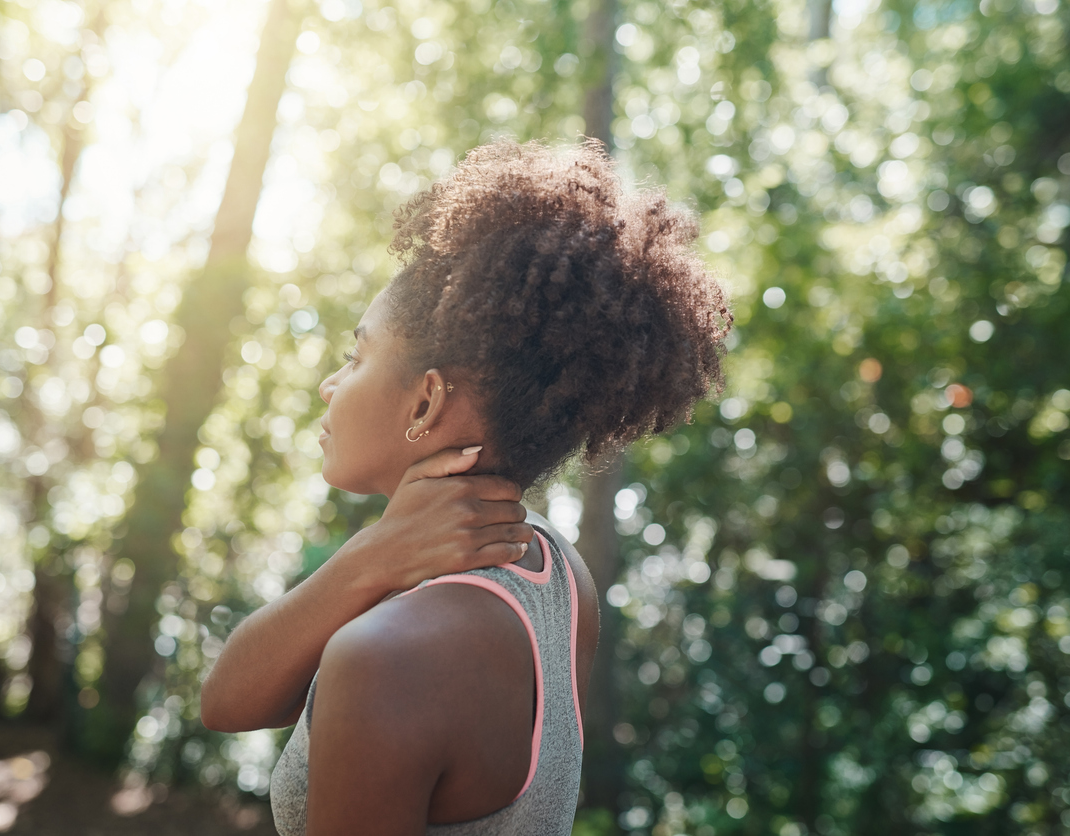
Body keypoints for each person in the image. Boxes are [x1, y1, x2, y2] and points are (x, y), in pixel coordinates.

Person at [200, 139, 730, 835]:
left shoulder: (390, 658)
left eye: (356, 356)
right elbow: (230, 702)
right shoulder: (562, 579)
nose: (330, 385)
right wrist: (376, 554)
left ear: (424, 403)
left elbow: (224, 705)